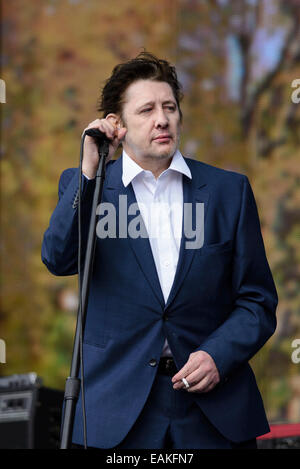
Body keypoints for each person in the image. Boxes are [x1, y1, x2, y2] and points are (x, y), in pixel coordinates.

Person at [42, 52, 278, 449]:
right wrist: (88, 172)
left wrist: (218, 355)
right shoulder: (87, 186)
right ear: (116, 123)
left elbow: (257, 300)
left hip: (213, 414)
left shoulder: (228, 192)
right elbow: (58, 258)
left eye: (169, 107)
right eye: (147, 109)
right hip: (115, 414)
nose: (162, 119)